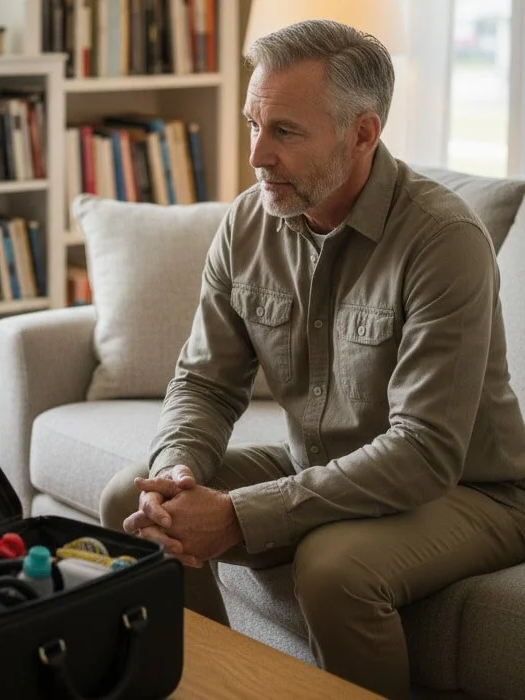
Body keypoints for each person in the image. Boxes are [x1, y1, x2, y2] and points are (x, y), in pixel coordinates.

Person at [101, 19, 525, 699]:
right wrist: (180, 469)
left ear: (363, 133)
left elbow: (424, 452)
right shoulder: (247, 223)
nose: (257, 156)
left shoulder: (443, 240)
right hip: (320, 463)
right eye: (253, 125)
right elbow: (205, 383)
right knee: (139, 498)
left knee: (334, 567)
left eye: (285, 132)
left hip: (470, 492)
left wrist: (238, 514)